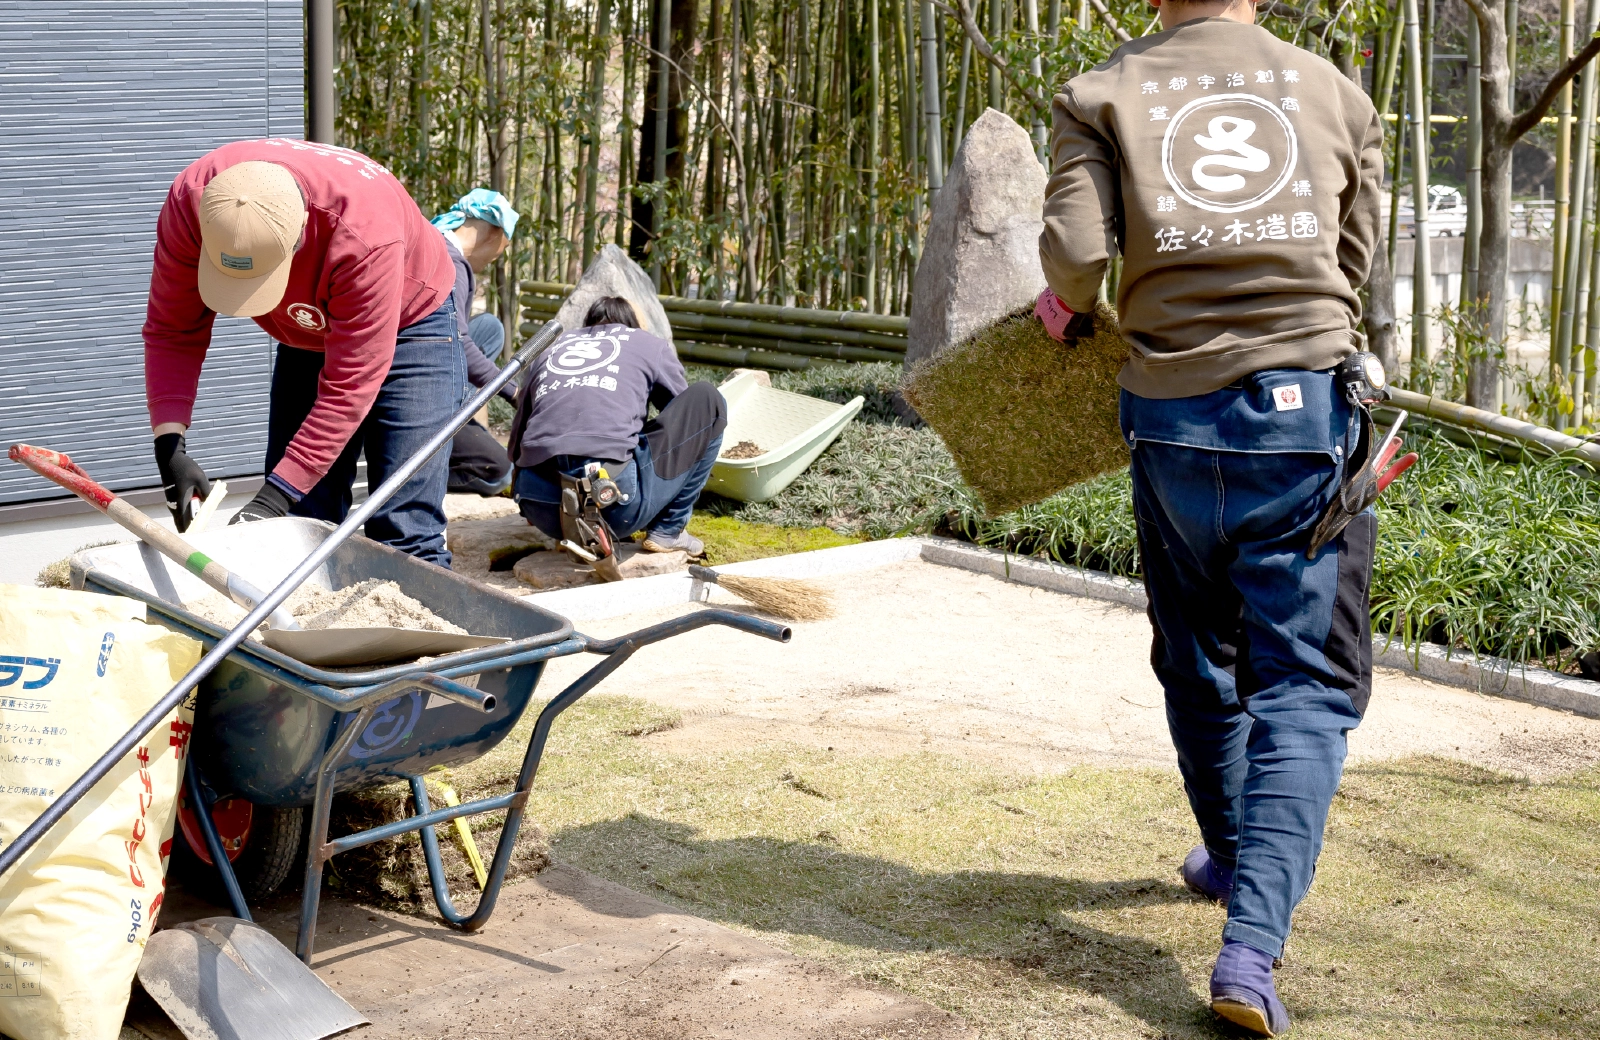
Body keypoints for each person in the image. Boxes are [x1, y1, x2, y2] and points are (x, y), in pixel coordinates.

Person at [1036, 1, 1381, 1035]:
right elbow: (1353, 257)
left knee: (1196, 654)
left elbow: (1074, 253)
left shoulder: (1101, 92)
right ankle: (1250, 946)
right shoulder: (1334, 92)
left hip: (1171, 420)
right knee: (1305, 685)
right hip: (1302, 417)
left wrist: (1069, 308)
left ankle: (1233, 853)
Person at [143, 139, 464, 567]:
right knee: (299, 526)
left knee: (403, 533)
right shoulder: (193, 202)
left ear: (298, 238)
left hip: (412, 320)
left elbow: (349, 388)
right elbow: (173, 329)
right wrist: (170, 447)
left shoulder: (363, 235)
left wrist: (273, 498)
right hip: (309, 331)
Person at [507, 297, 725, 556]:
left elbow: (516, 444)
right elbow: (687, 425)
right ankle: (669, 529)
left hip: (541, 508)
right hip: (616, 508)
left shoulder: (552, 348)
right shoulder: (647, 343)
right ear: (632, 325)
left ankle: (569, 526)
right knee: (708, 400)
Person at [432, 188, 521, 496]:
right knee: (499, 472)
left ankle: (466, 417)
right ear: (494, 233)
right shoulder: (451, 265)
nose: (495, 259)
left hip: (436, 358)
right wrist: (513, 391)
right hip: (418, 382)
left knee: (490, 329)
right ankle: (425, 472)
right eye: (500, 250)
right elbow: (457, 343)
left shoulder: (439, 244)